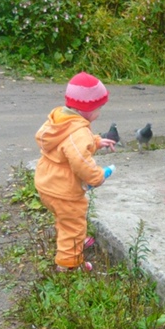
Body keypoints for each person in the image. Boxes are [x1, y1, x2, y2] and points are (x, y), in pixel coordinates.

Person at [35, 72, 116, 271]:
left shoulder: (61, 120)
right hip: (65, 190)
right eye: (99, 108)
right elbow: (80, 160)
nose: (99, 112)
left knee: (65, 219)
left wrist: (96, 141)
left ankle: (74, 242)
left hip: (47, 183)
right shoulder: (78, 132)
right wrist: (97, 177)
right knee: (73, 226)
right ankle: (69, 266)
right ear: (88, 109)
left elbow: (68, 144)